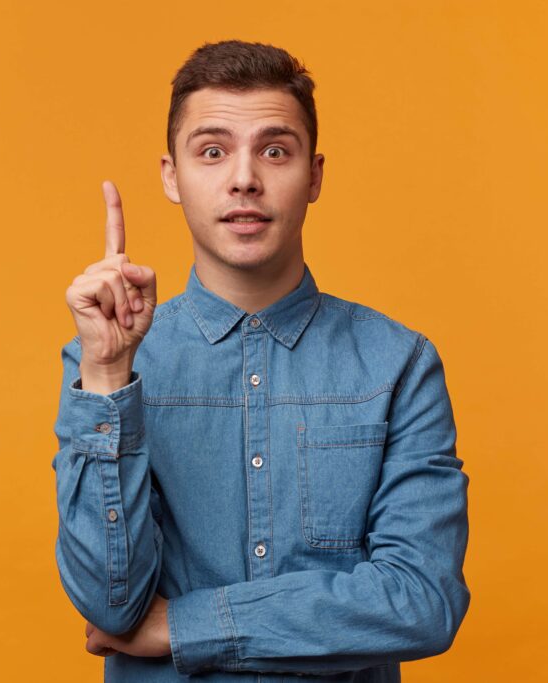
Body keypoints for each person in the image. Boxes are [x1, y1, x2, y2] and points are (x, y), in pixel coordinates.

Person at [51, 40, 470, 681]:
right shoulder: (101, 362)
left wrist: (187, 626)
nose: (244, 178)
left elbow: (422, 600)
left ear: (315, 176)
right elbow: (110, 603)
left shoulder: (398, 364)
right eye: (212, 151)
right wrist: (108, 376)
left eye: (275, 150)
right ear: (171, 175)